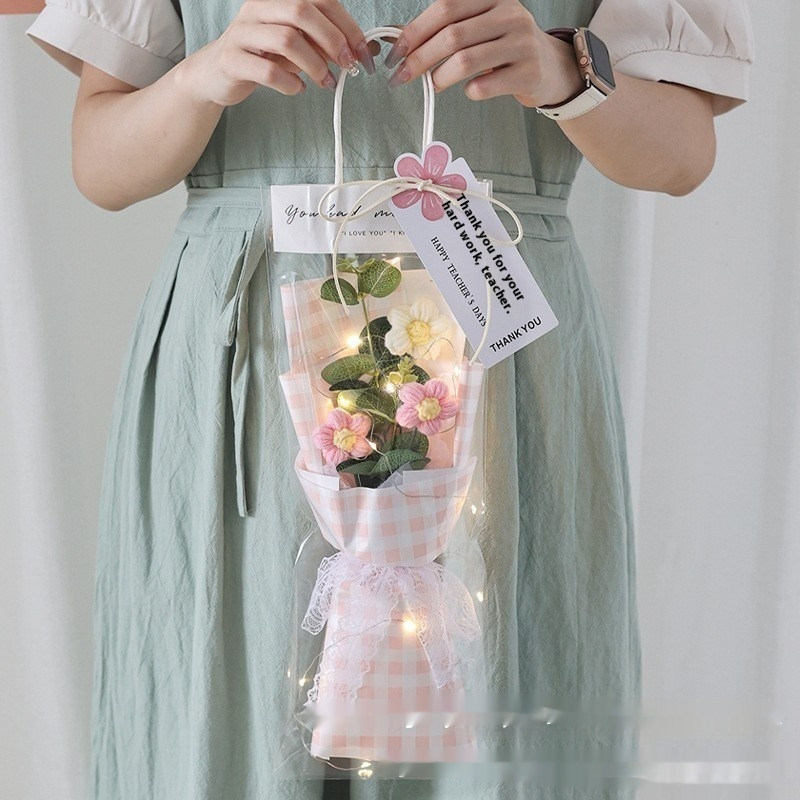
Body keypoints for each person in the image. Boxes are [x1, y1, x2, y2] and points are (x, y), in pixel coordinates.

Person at [25, 1, 753, 798]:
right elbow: (101, 166)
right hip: (251, 361)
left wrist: (563, 72)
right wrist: (204, 75)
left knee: (496, 694)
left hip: (496, 356)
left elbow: (680, 156)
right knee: (242, 702)